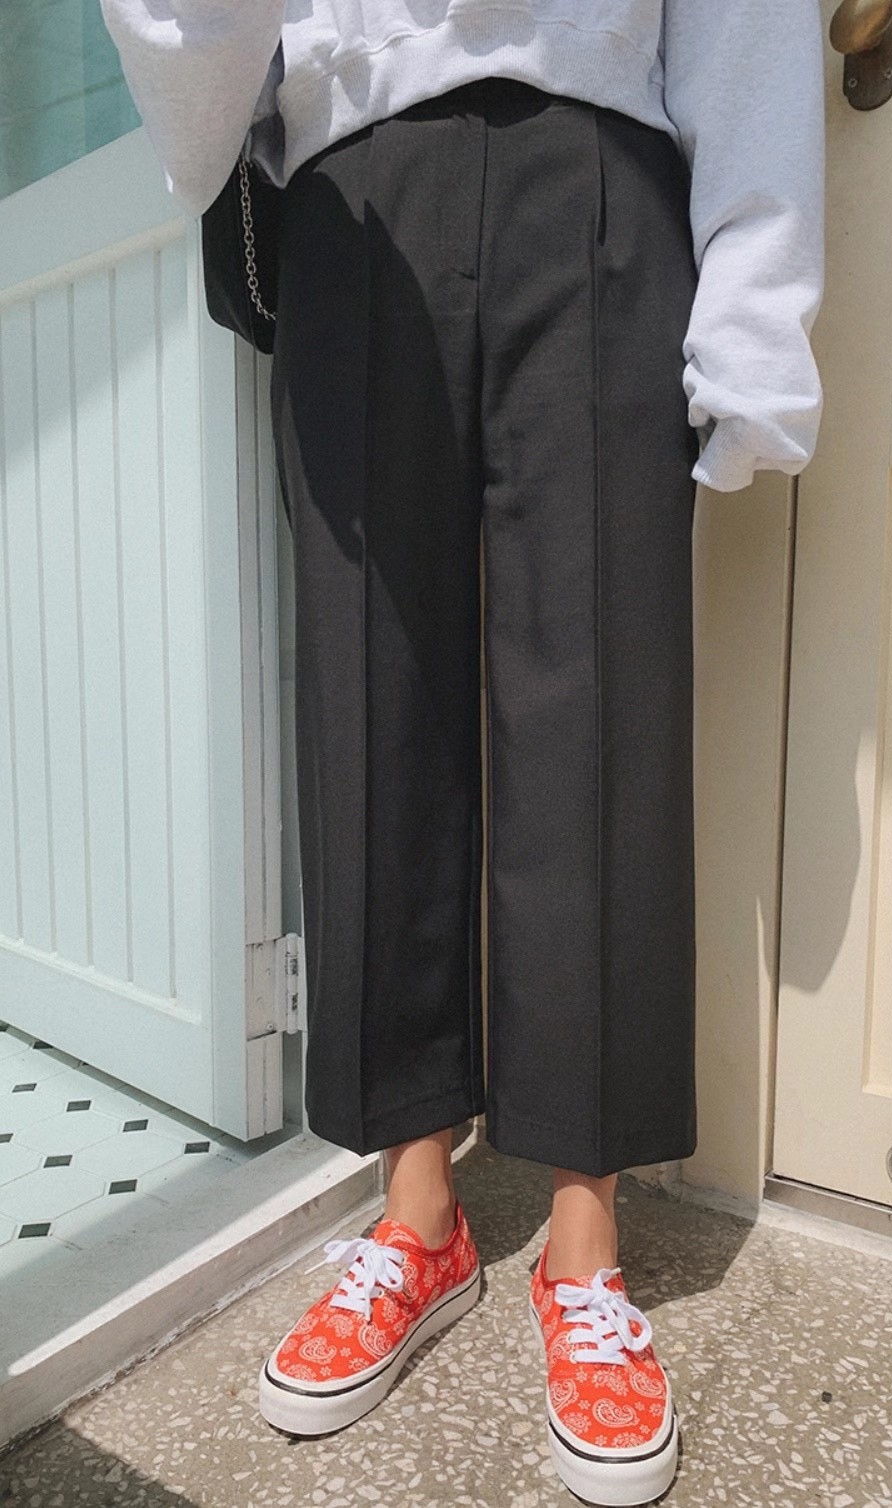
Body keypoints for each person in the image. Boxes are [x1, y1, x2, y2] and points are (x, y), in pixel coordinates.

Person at [99, 3, 825, 1502]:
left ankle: (583, 1245)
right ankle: (417, 1214)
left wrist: (755, 315)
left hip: (598, 163)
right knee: (371, 695)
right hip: (352, 190)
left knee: (601, 702)